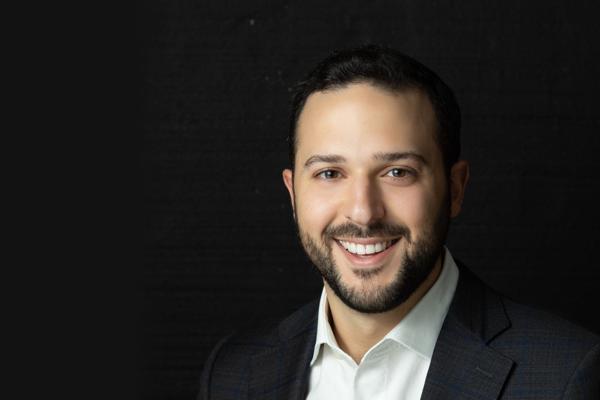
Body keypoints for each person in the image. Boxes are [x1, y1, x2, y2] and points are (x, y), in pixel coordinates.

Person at [198, 45, 599, 399]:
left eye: (397, 172)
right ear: (293, 194)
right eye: (330, 173)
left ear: (455, 189)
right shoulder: (234, 374)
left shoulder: (565, 378)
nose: (363, 212)